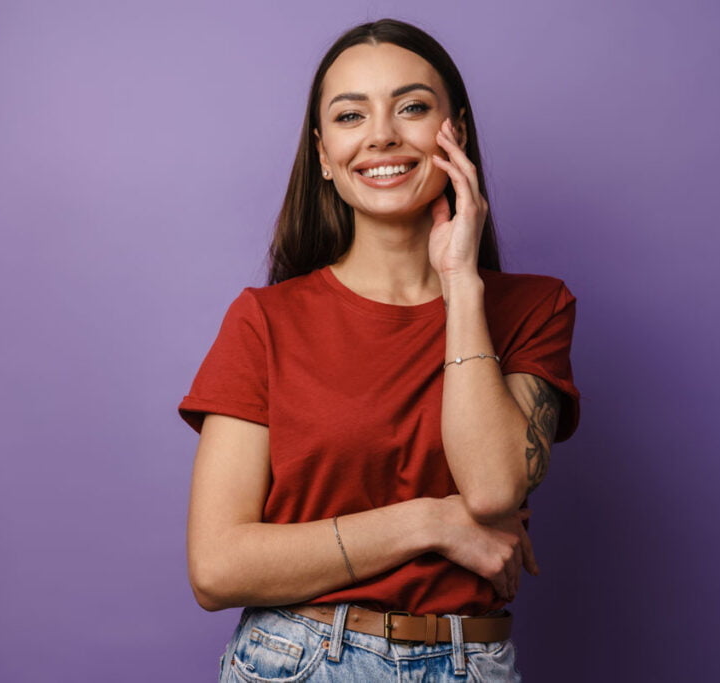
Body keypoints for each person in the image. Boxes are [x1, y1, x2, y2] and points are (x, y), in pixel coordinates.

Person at [177, 18, 580, 682]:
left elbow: (491, 486)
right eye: (349, 116)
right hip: (298, 660)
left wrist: (460, 280)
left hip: (470, 662)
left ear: (458, 132)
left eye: (413, 107)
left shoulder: (535, 308)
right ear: (325, 154)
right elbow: (216, 567)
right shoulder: (265, 321)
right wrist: (429, 522)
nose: (383, 134)